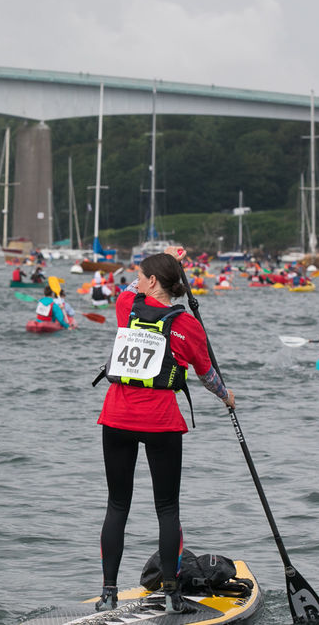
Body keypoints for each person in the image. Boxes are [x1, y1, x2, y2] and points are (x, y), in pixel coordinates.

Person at [92, 248, 235, 614]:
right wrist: (226, 396)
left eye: (141, 275)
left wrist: (168, 256)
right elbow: (207, 377)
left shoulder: (127, 307)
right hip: (161, 423)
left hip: (117, 419)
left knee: (117, 505)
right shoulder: (189, 326)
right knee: (167, 509)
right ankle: (171, 594)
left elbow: (125, 289)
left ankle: (108, 593)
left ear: (152, 282)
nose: (135, 280)